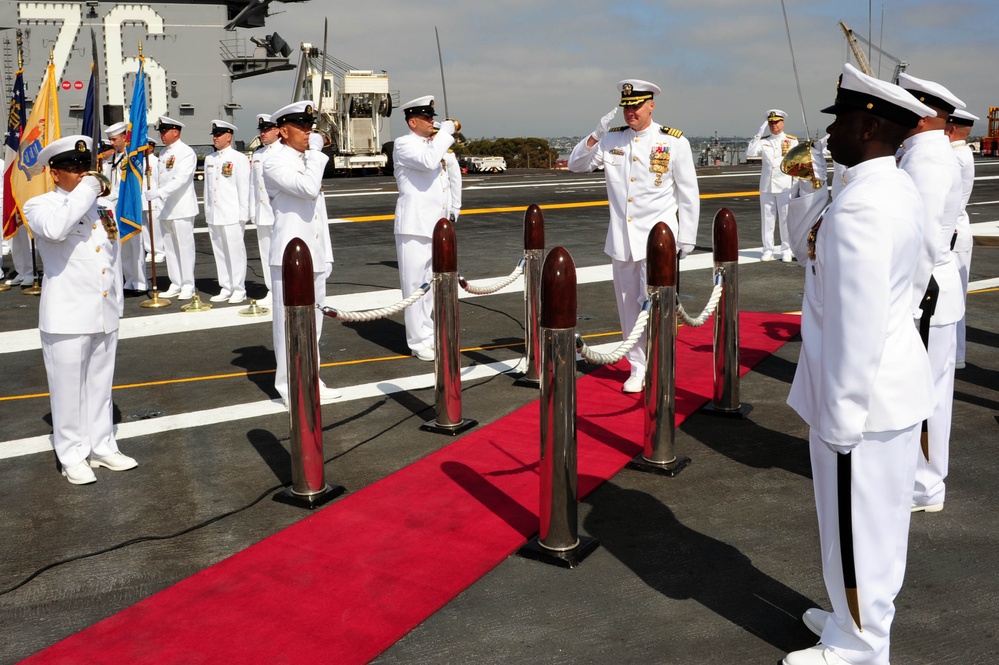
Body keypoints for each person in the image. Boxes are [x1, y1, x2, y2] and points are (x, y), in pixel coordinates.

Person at [782, 63, 936, 665]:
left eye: (841, 120)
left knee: (856, 526)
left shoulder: (865, 206)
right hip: (888, 388)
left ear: (867, 124)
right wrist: (809, 187)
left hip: (861, 402)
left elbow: (857, 325)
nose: (829, 133)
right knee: (873, 523)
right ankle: (853, 616)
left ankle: (862, 644)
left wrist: (840, 418)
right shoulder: (883, 188)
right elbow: (805, 248)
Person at [567, 79, 699, 392]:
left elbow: (688, 192)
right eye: (626, 106)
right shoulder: (612, 140)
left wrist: (686, 238)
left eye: (637, 105)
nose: (631, 112)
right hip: (622, 241)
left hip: (657, 242)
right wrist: (594, 136)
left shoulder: (673, 141)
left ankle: (662, 362)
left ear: (651, 105)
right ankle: (638, 368)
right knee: (629, 311)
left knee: (658, 308)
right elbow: (576, 165)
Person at [22, 136, 139, 485]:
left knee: (101, 386)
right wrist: (88, 190)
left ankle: (102, 446)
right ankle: (72, 454)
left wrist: (115, 301)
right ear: (54, 173)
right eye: (72, 168)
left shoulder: (100, 208)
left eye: (84, 167)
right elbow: (56, 230)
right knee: (68, 388)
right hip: (67, 313)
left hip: (102, 308)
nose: (82, 173)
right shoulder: (39, 205)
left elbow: (110, 255)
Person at [896, 72, 966, 515]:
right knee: (932, 391)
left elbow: (919, 241)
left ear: (921, 115)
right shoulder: (929, 152)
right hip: (937, 292)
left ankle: (923, 485)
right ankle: (923, 480)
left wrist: (904, 299)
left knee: (925, 395)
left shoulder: (926, 159)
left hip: (927, 296)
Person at [262, 101, 339, 405]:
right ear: (282, 130)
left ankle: (311, 380)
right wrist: (317, 153)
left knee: (314, 326)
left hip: (315, 251)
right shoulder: (273, 161)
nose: (308, 132)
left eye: (310, 127)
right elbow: (308, 189)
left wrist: (326, 254)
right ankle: (290, 388)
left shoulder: (306, 158)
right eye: (302, 127)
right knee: (289, 326)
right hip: (289, 255)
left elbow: (317, 211)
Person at [392, 96, 459, 361]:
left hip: (435, 225)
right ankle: (417, 340)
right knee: (413, 286)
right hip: (414, 225)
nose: (432, 121)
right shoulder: (404, 144)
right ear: (412, 121)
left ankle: (428, 331)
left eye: (433, 117)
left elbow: (445, 179)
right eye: (427, 118)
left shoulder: (432, 144)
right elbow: (429, 161)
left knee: (431, 285)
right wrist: (446, 131)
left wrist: (453, 209)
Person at [145, 116, 198, 300]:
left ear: (176, 132)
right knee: (170, 248)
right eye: (160, 131)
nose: (161, 135)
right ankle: (176, 282)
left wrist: (159, 193)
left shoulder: (186, 152)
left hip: (181, 207)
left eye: (165, 131)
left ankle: (188, 284)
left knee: (184, 247)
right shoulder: (164, 154)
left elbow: (181, 180)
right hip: (166, 208)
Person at [203, 119, 250, 304]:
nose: (215, 138)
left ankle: (239, 288)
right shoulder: (209, 159)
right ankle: (226, 286)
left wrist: (243, 214)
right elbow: (208, 188)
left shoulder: (239, 158)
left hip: (232, 214)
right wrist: (207, 211)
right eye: (214, 135)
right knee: (220, 251)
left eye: (219, 134)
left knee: (235, 252)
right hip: (215, 214)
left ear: (228, 137)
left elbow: (243, 187)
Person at [945, 108, 978, 370]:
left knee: (953, 299)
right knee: (955, 298)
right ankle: (956, 355)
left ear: (950, 128)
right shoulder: (959, 152)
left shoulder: (954, 156)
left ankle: (954, 354)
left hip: (952, 234)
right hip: (957, 231)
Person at [100, 121, 147, 292]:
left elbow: (130, 184)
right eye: (110, 140)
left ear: (124, 137)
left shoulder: (131, 157)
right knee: (121, 245)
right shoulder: (111, 159)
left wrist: (113, 195)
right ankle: (129, 280)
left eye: (114, 139)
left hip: (127, 205)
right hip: (113, 206)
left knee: (134, 244)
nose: (111, 143)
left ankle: (140, 281)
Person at [746, 109, 798, 262]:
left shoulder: (792, 141)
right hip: (767, 186)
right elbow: (750, 152)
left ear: (783, 122)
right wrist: (758, 134)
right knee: (767, 219)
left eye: (776, 122)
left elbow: (795, 165)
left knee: (785, 219)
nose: (773, 125)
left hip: (785, 186)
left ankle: (786, 250)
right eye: (771, 123)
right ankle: (768, 249)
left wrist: (795, 186)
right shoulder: (763, 141)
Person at [249, 113, 280, 304]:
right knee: (266, 253)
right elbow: (253, 185)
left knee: (280, 254)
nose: (263, 133)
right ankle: (272, 289)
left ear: (277, 130)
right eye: (261, 130)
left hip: (278, 212)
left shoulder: (284, 151)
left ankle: (283, 287)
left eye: (267, 129)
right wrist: (253, 211)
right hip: (262, 212)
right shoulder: (258, 154)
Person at [141, 136, 165, 264]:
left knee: (155, 228)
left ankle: (159, 251)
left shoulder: (156, 162)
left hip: (153, 199)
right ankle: (149, 250)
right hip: (142, 199)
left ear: (151, 147)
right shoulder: (140, 162)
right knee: (145, 227)